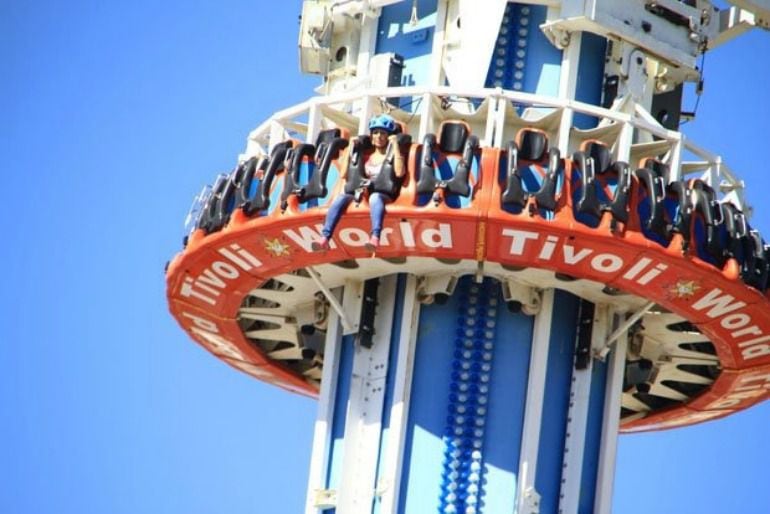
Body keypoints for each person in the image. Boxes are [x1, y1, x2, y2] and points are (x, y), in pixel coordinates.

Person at [313, 114, 405, 252]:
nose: (379, 136)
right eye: (375, 133)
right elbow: (344, 174)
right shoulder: (366, 157)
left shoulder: (393, 155)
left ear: (388, 136)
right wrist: (350, 149)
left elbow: (399, 172)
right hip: (360, 194)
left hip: (381, 195)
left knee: (375, 198)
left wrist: (395, 145)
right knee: (341, 198)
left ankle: (375, 237)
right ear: (371, 136)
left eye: (383, 133)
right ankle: (325, 238)